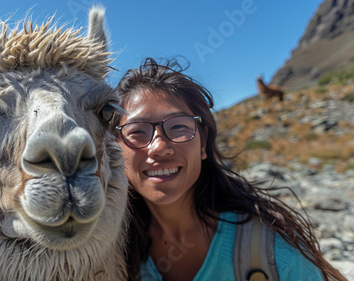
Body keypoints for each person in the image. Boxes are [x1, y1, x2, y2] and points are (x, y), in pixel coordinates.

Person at [113, 58, 346, 281]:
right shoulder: (110, 252)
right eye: (137, 131)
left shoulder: (274, 253)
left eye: (179, 127)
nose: (159, 147)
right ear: (115, 149)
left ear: (203, 144)